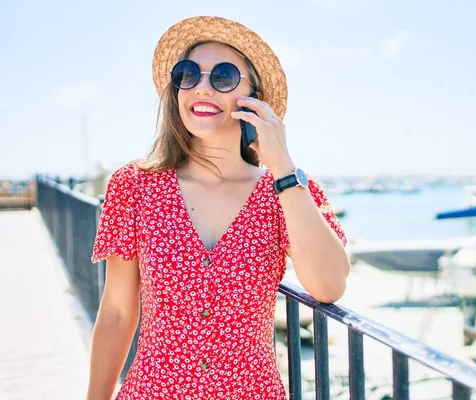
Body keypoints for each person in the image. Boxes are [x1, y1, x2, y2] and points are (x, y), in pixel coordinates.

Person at [86, 16, 350, 400]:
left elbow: (329, 286)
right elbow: (116, 313)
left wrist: (283, 169)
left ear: (254, 97)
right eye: (188, 74)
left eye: (223, 77)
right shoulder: (135, 185)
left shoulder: (286, 191)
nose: (201, 88)